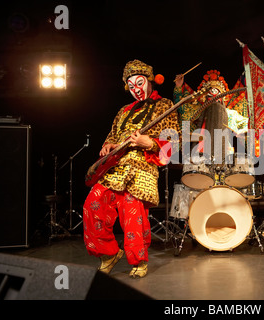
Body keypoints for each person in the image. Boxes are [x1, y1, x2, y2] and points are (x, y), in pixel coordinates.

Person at [83, 59, 180, 278]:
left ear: (150, 81)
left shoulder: (164, 105)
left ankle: (139, 260)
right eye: (132, 86)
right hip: (116, 167)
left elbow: (174, 139)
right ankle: (108, 254)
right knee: (93, 204)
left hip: (142, 167)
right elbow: (112, 136)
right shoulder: (123, 111)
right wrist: (107, 145)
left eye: (140, 83)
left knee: (132, 212)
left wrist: (150, 143)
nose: (136, 89)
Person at [174, 70, 248, 165]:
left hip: (225, 155)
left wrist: (243, 130)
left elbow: (247, 124)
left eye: (217, 98)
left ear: (223, 99)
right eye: (210, 97)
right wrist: (179, 87)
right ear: (204, 98)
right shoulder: (197, 112)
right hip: (200, 154)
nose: (214, 101)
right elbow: (181, 107)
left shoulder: (230, 114)